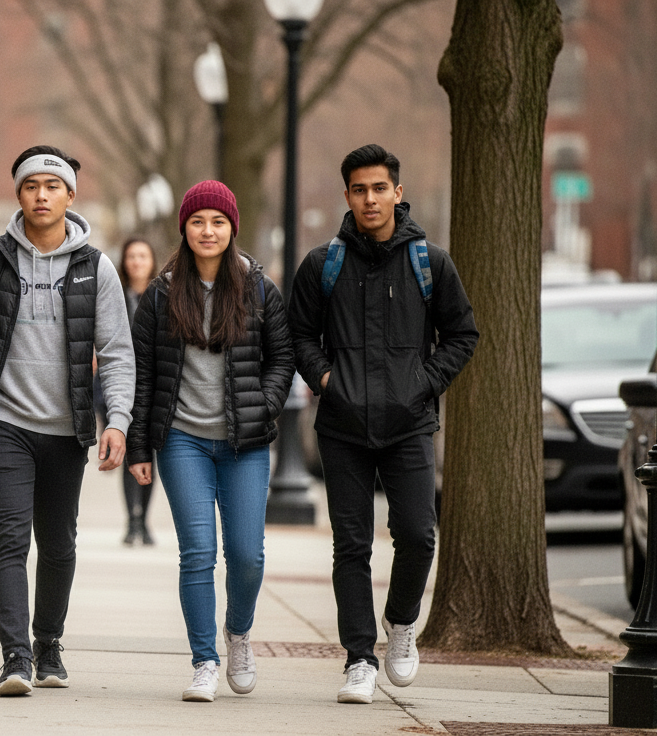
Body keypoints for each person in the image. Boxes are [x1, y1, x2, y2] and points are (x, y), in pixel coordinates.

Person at [0, 145, 136, 696]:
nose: (41, 195)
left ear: (70, 195)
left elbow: (115, 350)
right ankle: (15, 657)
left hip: (66, 430)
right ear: (17, 194)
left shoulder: (97, 268)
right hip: (3, 424)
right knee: (9, 541)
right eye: (30, 186)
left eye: (52, 186)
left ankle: (48, 644)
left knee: (60, 544)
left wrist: (117, 420)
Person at [287, 144, 478, 704]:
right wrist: (327, 382)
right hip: (343, 427)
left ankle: (400, 625)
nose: (369, 199)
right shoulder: (324, 264)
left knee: (418, 534)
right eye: (358, 189)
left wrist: (423, 383)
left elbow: (462, 334)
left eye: (379, 188)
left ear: (397, 191)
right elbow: (299, 336)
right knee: (352, 545)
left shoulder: (429, 262)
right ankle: (358, 659)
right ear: (346, 195)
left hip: (410, 424)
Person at [127, 181, 293, 702]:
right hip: (183, 442)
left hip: (244, 444)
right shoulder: (160, 294)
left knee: (246, 555)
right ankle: (204, 661)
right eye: (198, 221)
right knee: (198, 553)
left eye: (217, 222)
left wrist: (263, 405)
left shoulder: (259, 289)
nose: (207, 230)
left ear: (232, 228)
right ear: (184, 228)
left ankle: (238, 633)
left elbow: (282, 359)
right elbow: (143, 373)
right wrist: (138, 448)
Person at [116, 237, 158, 546]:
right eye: (132, 256)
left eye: (143, 256)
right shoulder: (116, 296)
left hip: (156, 387)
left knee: (150, 456)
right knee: (132, 451)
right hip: (125, 388)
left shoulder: (162, 297)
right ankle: (131, 519)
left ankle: (144, 520)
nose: (137, 262)